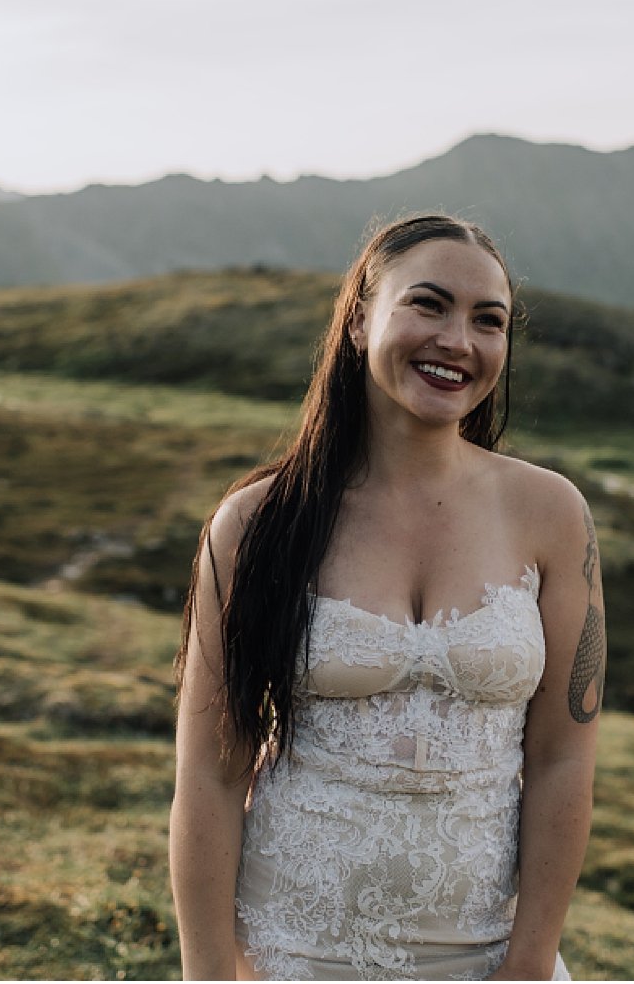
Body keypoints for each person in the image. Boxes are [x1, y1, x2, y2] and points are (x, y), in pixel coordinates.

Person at [169, 213, 605, 981]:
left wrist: (531, 962)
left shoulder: (552, 514)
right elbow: (210, 774)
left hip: (488, 952)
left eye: (488, 320)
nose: (459, 342)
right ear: (360, 318)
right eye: (428, 305)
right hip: (297, 948)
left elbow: (563, 756)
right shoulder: (255, 525)